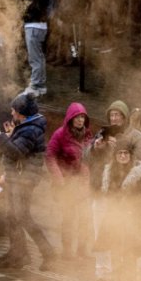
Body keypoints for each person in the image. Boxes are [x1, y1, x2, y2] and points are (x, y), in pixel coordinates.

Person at [83, 100, 141, 281]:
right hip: (100, 192)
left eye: (118, 115)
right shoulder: (103, 134)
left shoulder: (137, 137)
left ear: (125, 117)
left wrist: (118, 147)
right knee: (101, 239)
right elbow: (86, 157)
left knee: (124, 240)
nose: (114, 119)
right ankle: (102, 279)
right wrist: (96, 147)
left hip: (123, 198)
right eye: (111, 115)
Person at [0, 93, 56, 270]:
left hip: (23, 181)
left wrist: (0, 136)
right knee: (12, 217)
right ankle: (17, 253)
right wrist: (10, 135)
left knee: (23, 218)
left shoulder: (30, 129)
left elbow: (16, 152)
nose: (11, 113)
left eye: (14, 110)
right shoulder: (27, 126)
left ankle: (48, 253)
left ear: (21, 113)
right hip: (16, 179)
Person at [94, 140, 141, 281]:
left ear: (131, 155)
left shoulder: (138, 176)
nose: (123, 156)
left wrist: (133, 210)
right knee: (117, 261)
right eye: (120, 153)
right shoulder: (110, 173)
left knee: (130, 263)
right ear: (115, 155)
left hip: (132, 226)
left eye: (126, 153)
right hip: (115, 224)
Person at [45, 102, 92, 259]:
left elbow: (91, 157)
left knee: (86, 218)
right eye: (77, 117)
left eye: (82, 118)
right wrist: (58, 177)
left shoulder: (88, 135)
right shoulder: (60, 134)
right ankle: (67, 251)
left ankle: (82, 249)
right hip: (67, 182)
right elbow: (50, 156)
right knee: (69, 218)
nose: (80, 120)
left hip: (83, 182)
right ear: (70, 118)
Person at [22, 0, 50, 96]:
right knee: (38, 57)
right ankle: (40, 85)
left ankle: (36, 85)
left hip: (35, 25)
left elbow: (38, 5)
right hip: (36, 25)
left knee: (35, 58)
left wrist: (24, 11)